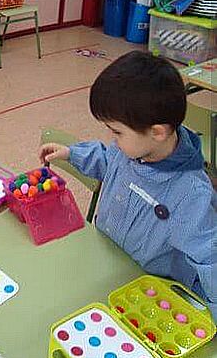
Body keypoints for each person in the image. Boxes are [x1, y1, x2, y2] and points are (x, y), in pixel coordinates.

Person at [39, 51, 216, 319]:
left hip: (145, 294)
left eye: (117, 132)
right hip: (101, 261)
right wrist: (72, 154)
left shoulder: (191, 194)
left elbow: (208, 258)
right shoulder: (133, 149)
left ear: (158, 132)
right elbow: (108, 160)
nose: (114, 139)